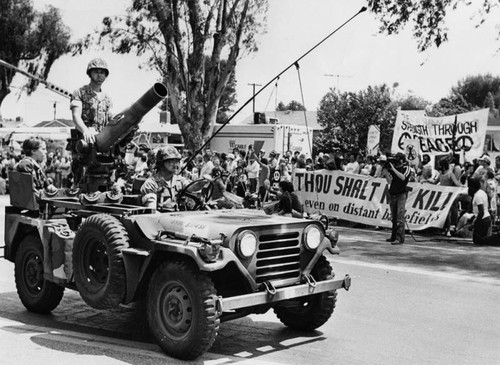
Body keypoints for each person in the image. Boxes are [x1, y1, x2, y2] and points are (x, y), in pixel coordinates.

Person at [69, 58, 114, 186]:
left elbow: (110, 119)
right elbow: (76, 116)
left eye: (102, 72)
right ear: (90, 73)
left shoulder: (107, 98)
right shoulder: (80, 93)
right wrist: (85, 131)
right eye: (96, 72)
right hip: (85, 141)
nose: (99, 75)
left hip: (102, 143)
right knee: (81, 181)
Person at [140, 146, 190, 211]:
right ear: (162, 163)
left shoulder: (179, 180)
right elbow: (151, 213)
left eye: (176, 161)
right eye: (171, 162)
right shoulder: (151, 184)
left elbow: (192, 187)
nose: (175, 165)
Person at [385, 152, 411, 245]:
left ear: (401, 160)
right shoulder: (394, 168)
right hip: (392, 193)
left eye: (397, 159)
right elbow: (389, 181)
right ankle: (393, 236)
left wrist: (393, 169)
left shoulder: (406, 168)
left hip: (401, 194)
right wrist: (387, 172)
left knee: (400, 216)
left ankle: (399, 238)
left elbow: (403, 177)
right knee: (394, 217)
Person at [467, 177, 492, 245]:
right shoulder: (481, 192)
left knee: (478, 241)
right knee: (480, 240)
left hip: (483, 220)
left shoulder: (478, 196)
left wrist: (474, 225)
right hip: (485, 218)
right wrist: (472, 218)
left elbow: (481, 212)